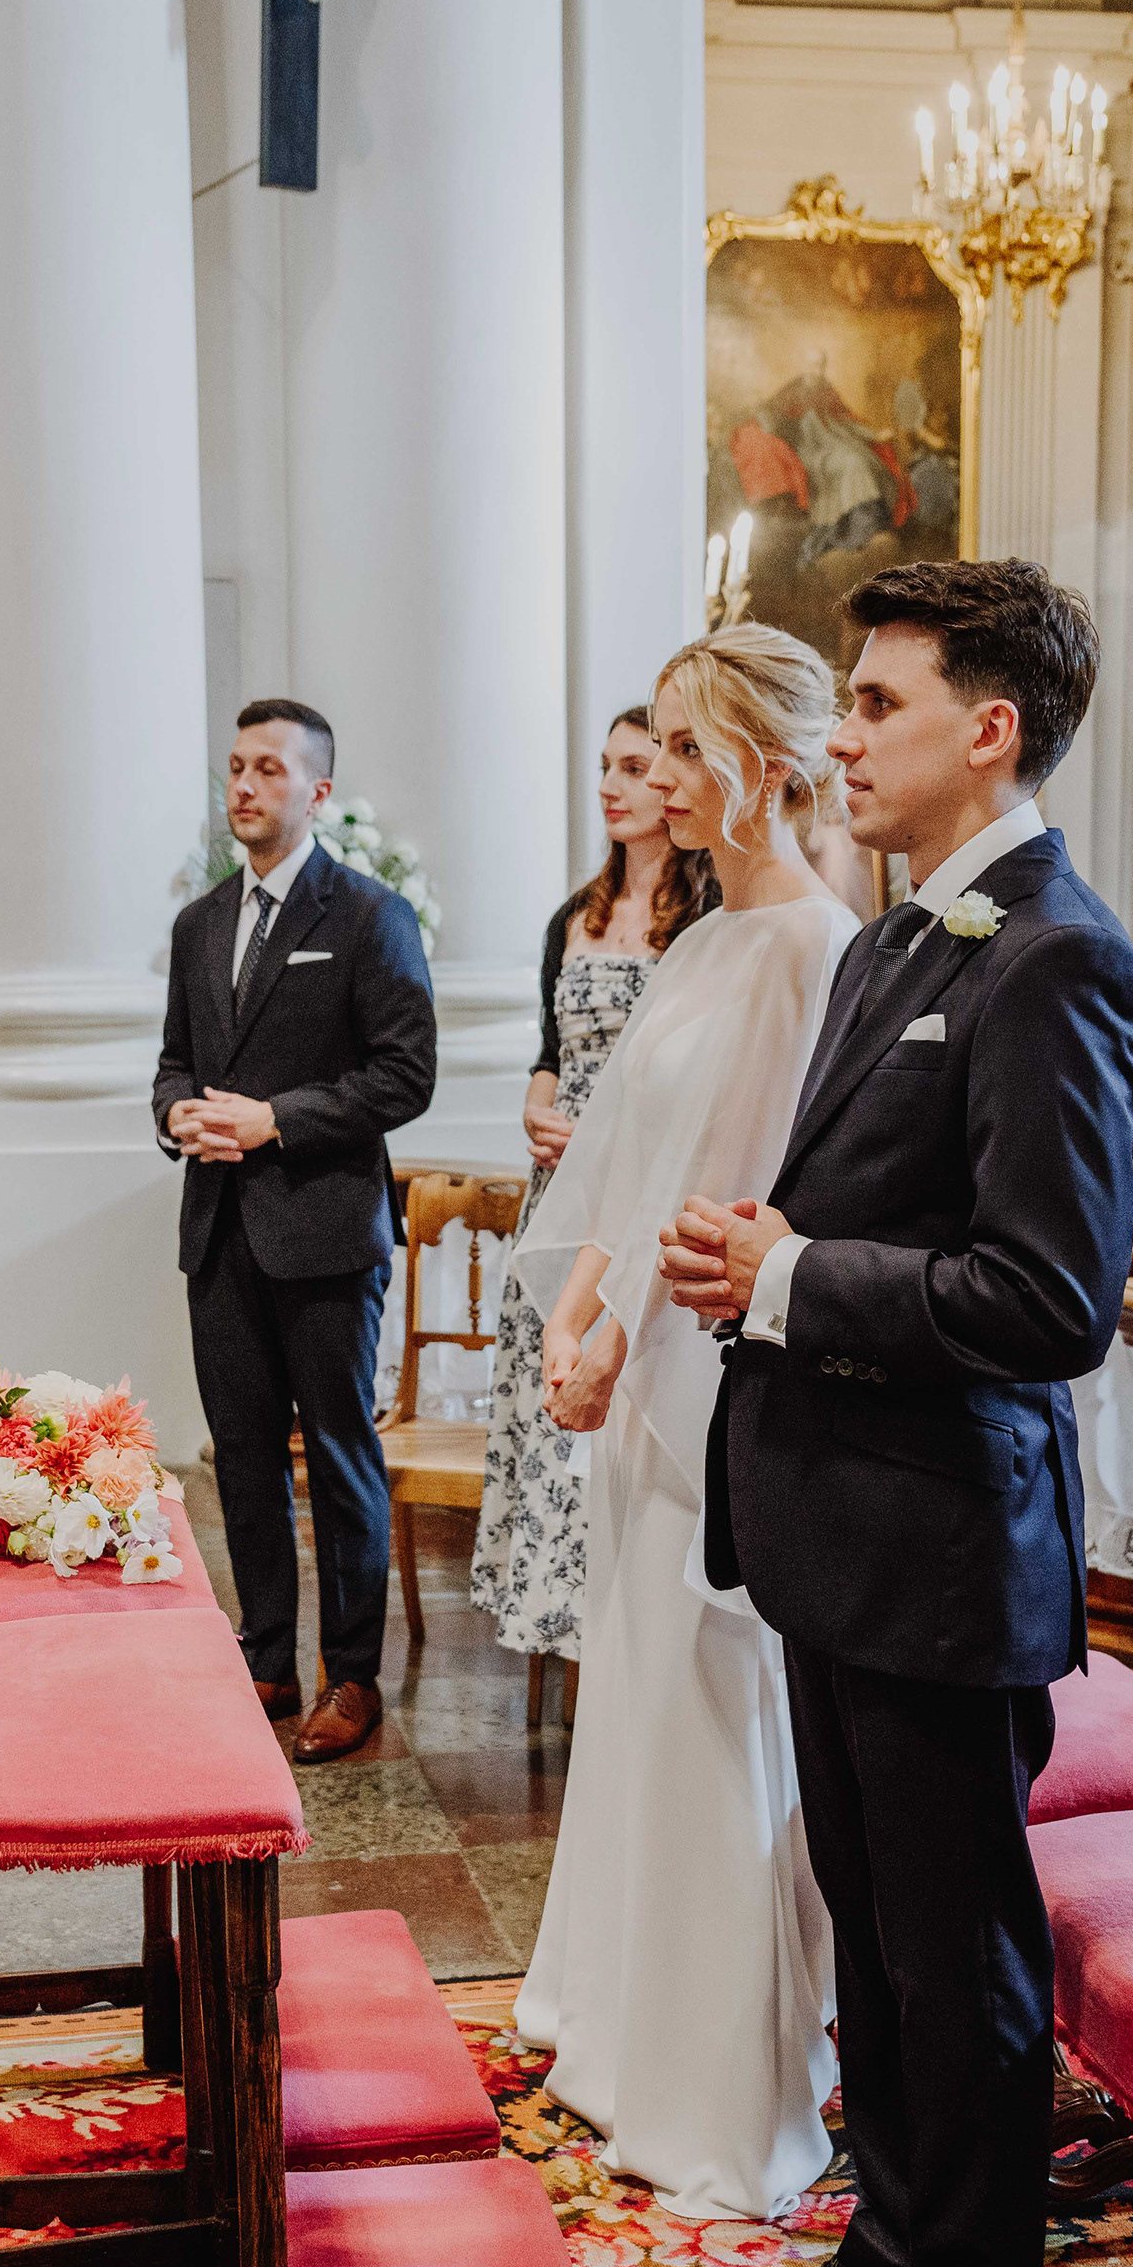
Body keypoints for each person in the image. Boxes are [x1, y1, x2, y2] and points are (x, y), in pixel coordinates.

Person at [663, 560, 1133, 2267]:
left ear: (990, 730)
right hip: (840, 1532)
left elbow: (1050, 1298)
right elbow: (876, 1216)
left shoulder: (1058, 962)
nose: (844, 736)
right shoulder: (891, 941)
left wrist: (789, 1280)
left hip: (947, 1551)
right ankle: (891, 2253)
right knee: (871, 1932)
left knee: (961, 1974)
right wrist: (769, 1253)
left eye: (877, 703)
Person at [505, 628, 862, 2222]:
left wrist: (622, 1336)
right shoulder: (705, 939)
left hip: (713, 1372)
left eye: (685, 748)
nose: (657, 773)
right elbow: (623, 1159)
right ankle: (615, 2022)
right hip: (632, 1358)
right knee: (638, 1693)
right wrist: (573, 1314)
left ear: (764, 771)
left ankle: (720, 2087)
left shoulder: (812, 951)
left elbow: (734, 1190)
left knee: (716, 1705)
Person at [152, 701, 439, 1763]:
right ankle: (266, 1655)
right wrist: (177, 1115)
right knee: (240, 1455)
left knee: (338, 1453)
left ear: (317, 791)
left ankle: (351, 1675)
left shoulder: (369, 916)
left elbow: (405, 1075)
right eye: (235, 766)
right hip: (219, 1231)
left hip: (324, 1232)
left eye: (268, 768)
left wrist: (275, 1119)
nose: (243, 784)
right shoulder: (199, 924)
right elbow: (176, 1063)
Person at [467, 707, 716, 1676]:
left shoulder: (704, 920)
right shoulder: (573, 916)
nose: (612, 785)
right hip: (557, 1194)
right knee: (547, 1394)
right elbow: (550, 1051)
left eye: (636, 766)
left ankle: (619, 1640)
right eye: (606, 766)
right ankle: (554, 1627)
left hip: (637, 1189)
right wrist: (538, 1107)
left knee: (618, 1401)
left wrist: (610, 1137)